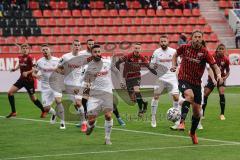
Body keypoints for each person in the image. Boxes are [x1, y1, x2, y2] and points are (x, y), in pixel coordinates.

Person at [171, 30, 223, 144]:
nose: (198, 39)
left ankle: (193, 132)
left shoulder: (204, 52)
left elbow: (215, 66)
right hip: (183, 78)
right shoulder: (185, 47)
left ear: (202, 39)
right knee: (189, 96)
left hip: (196, 83)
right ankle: (182, 121)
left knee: (197, 112)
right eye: (196, 37)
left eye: (200, 37)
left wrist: (218, 75)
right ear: (192, 38)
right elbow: (175, 54)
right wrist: (174, 65)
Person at [84, 44, 123, 145]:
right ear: (92, 54)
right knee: (91, 119)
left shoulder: (107, 62)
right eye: (95, 52)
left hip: (107, 93)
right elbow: (85, 81)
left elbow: (116, 71)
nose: (97, 54)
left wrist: (121, 81)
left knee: (108, 115)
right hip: (94, 95)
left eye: (99, 52)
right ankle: (91, 125)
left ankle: (107, 138)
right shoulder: (88, 66)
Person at [115, 43, 157, 117]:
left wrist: (156, 73)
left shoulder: (142, 58)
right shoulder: (128, 56)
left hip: (136, 77)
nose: (137, 50)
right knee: (133, 100)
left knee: (137, 91)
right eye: (136, 48)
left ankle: (140, 110)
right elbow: (117, 62)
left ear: (141, 49)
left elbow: (149, 67)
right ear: (133, 49)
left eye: (138, 48)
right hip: (128, 78)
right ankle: (144, 103)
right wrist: (118, 70)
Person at [6, 43, 46, 118]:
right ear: (21, 50)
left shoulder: (30, 58)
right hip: (21, 80)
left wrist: (27, 72)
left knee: (33, 99)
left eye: (26, 48)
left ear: (28, 50)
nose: (25, 50)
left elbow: (34, 68)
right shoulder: (20, 57)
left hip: (29, 81)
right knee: (10, 93)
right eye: (23, 48)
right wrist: (15, 69)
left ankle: (43, 111)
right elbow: (20, 64)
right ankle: (13, 112)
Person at [57, 40, 88, 131]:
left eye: (78, 45)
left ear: (80, 47)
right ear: (72, 46)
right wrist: (64, 72)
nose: (77, 46)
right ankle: (84, 118)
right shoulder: (66, 57)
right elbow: (58, 68)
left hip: (79, 84)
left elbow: (86, 70)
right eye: (75, 45)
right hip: (68, 84)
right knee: (76, 104)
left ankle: (84, 123)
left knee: (79, 103)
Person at [150, 35, 180, 128]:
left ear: (168, 42)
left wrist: (176, 71)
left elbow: (179, 64)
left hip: (172, 77)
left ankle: (176, 119)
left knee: (176, 97)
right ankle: (153, 118)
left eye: (164, 41)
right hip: (160, 77)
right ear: (159, 42)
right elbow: (151, 65)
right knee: (156, 96)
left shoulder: (174, 51)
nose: (163, 43)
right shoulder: (156, 52)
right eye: (161, 41)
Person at [33, 44, 62, 125]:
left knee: (58, 100)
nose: (45, 51)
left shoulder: (57, 60)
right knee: (46, 108)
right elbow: (33, 73)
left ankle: (62, 120)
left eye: (46, 49)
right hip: (45, 87)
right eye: (43, 50)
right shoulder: (39, 61)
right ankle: (54, 113)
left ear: (50, 50)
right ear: (42, 51)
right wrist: (36, 75)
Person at [202, 44, 230, 120]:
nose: (221, 50)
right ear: (217, 49)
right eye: (220, 49)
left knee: (222, 93)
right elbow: (209, 68)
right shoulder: (212, 57)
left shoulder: (226, 59)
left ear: (225, 50)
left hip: (221, 79)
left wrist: (224, 78)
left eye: (222, 49)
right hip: (212, 78)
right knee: (205, 94)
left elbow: (228, 71)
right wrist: (213, 78)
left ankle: (222, 114)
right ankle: (202, 113)